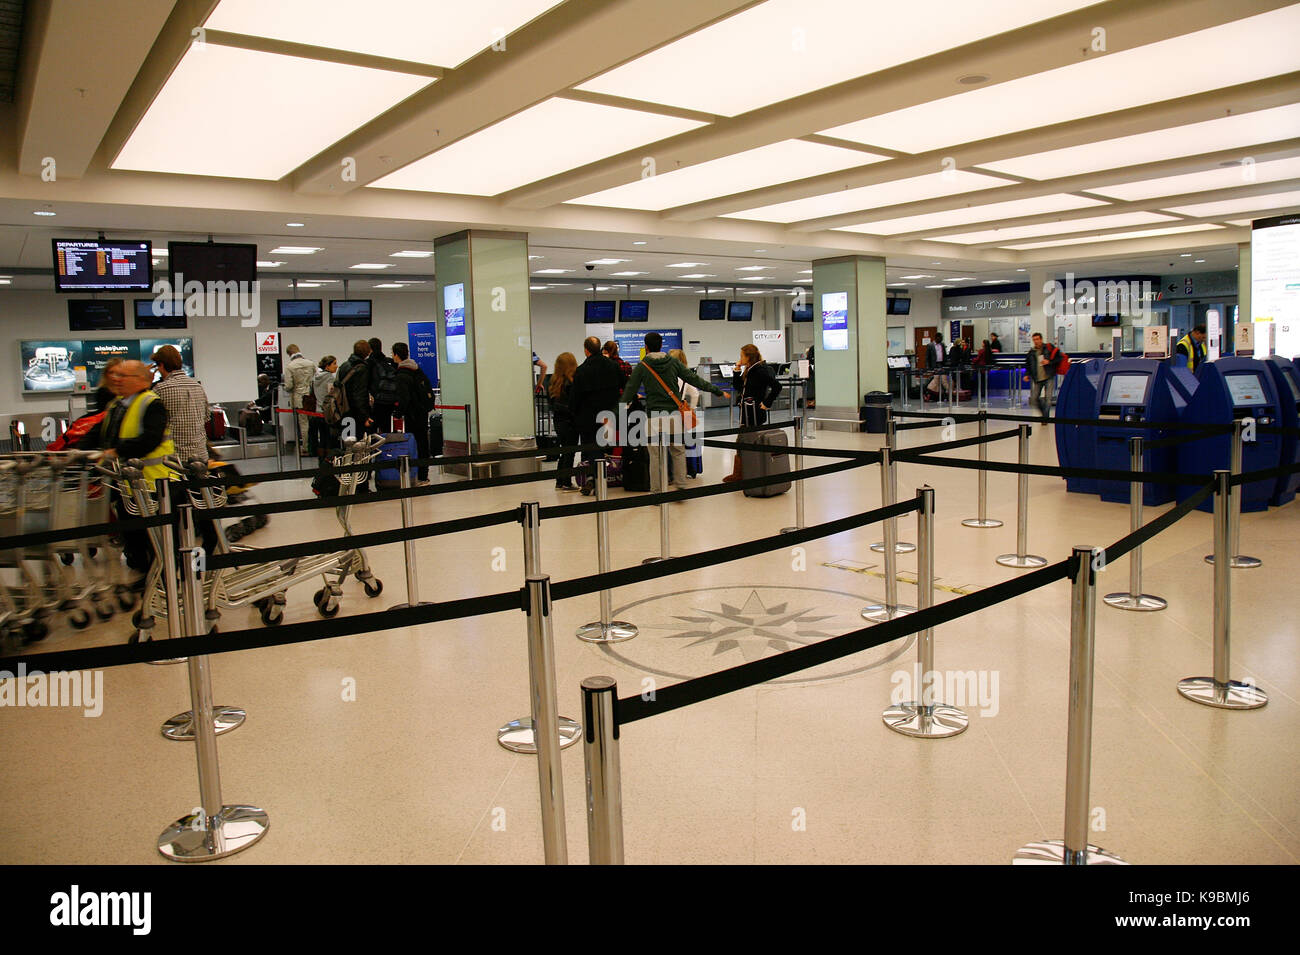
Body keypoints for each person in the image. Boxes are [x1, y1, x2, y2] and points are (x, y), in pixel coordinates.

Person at [78, 360, 177, 579]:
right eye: (116, 376)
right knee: (133, 537)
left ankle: (164, 581)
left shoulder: (151, 403)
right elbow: (98, 432)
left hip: (153, 484)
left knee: (155, 538)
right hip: (126, 485)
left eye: (124, 376)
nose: (117, 380)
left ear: (141, 380)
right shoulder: (116, 405)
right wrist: (78, 450)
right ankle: (143, 576)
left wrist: (117, 451)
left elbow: (150, 439)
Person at [621, 335, 724, 492]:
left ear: (646, 347)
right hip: (674, 415)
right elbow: (694, 379)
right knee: (678, 451)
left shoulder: (642, 366)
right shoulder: (673, 363)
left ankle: (656, 490)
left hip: (654, 416)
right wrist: (715, 390)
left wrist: (616, 411)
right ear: (661, 345)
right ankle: (681, 485)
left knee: (654, 455)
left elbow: (629, 391)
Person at [724, 344, 782, 483]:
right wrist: (737, 371)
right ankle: (743, 472)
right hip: (747, 411)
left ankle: (742, 473)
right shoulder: (750, 370)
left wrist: (767, 403)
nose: (740, 358)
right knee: (744, 440)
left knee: (744, 441)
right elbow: (739, 387)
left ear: (748, 357)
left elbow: (776, 386)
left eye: (742, 356)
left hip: (754, 412)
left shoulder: (760, 370)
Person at [150, 344, 210, 465]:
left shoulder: (160, 389)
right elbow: (206, 418)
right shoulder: (197, 386)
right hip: (201, 456)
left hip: (175, 459)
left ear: (161, 365)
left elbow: (152, 424)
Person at [572, 336, 624, 455]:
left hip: (589, 420)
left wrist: (575, 414)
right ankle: (609, 472)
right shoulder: (613, 366)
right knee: (609, 450)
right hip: (610, 415)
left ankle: (592, 473)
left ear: (586, 350)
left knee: (590, 452)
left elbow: (576, 397)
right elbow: (624, 386)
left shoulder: (582, 370)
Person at [393, 342, 434, 485]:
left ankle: (416, 475)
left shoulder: (402, 374)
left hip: (412, 414)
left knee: (413, 444)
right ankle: (424, 475)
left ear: (396, 355)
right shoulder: (417, 369)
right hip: (422, 412)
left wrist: (397, 413)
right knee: (423, 443)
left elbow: (404, 398)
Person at [548, 352, 581, 490]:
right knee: (570, 452)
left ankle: (560, 480)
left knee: (564, 451)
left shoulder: (554, 382)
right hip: (570, 422)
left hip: (558, 421)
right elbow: (574, 404)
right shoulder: (571, 383)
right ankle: (566, 481)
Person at [336, 340, 372, 445]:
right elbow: (359, 394)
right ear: (368, 352)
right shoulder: (362, 368)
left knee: (347, 443)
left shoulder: (344, 366)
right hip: (355, 413)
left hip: (343, 409)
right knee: (358, 445)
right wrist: (364, 415)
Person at [1024, 332, 1064, 421]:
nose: (1036, 341)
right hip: (1037, 378)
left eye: (1037, 339)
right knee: (1034, 399)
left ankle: (1045, 418)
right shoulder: (1031, 352)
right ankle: (1044, 414)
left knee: (1048, 399)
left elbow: (1059, 358)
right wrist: (1027, 374)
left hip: (1048, 376)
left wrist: (1049, 361)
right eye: (1034, 340)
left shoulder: (1048, 348)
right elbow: (1028, 365)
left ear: (1041, 339)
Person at [366, 336, 398, 434]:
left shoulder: (369, 363)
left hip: (376, 400)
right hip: (390, 401)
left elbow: (367, 381)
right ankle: (386, 448)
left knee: (372, 429)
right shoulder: (390, 362)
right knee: (386, 427)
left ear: (370, 349)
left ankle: (373, 448)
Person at [311, 355, 337, 460]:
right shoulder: (330, 378)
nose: (336, 366)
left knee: (322, 438)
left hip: (317, 411)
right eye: (334, 363)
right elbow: (332, 394)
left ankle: (321, 461)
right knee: (329, 439)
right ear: (327, 366)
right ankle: (329, 461)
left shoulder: (315, 378)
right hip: (328, 413)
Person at [925, 333, 949, 401]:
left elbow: (944, 355)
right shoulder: (930, 345)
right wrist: (928, 367)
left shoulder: (942, 345)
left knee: (944, 380)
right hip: (934, 365)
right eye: (940, 337)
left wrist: (946, 364)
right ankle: (937, 395)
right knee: (936, 380)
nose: (941, 339)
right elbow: (927, 357)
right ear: (936, 337)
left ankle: (947, 395)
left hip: (942, 364)